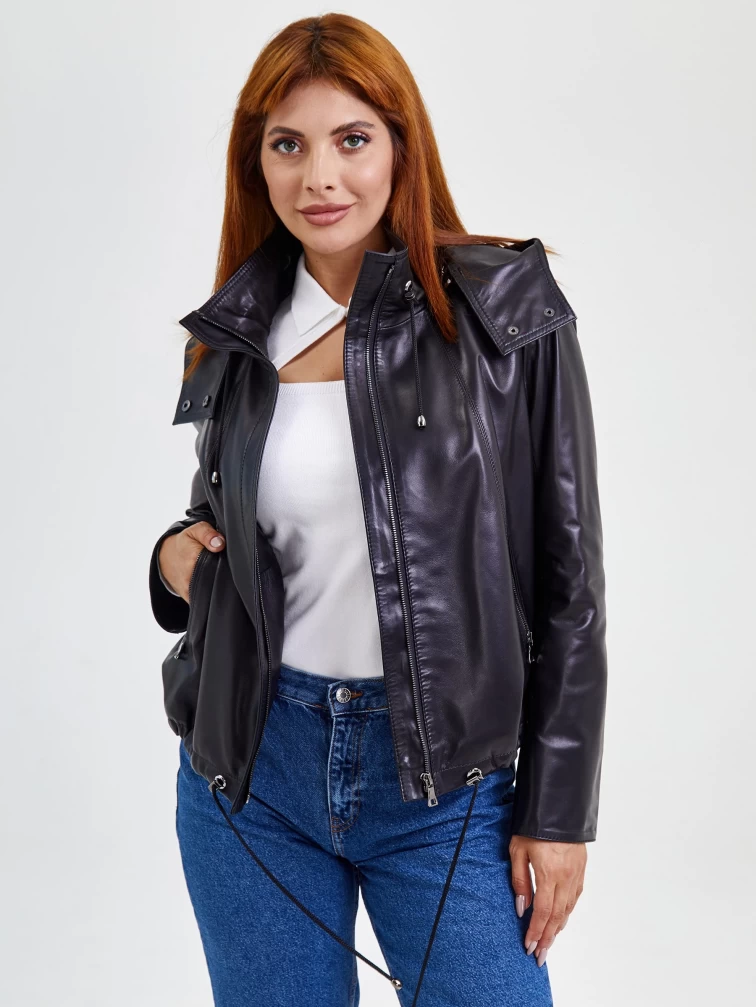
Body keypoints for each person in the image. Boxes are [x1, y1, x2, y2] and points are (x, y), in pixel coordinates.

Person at [148, 13, 607, 1007]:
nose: (320, 177)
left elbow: (569, 581)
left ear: (401, 144)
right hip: (252, 770)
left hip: (447, 789)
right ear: (258, 163)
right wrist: (174, 556)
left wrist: (559, 810)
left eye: (351, 138)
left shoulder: (504, 310)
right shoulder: (237, 333)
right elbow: (222, 516)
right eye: (288, 144)